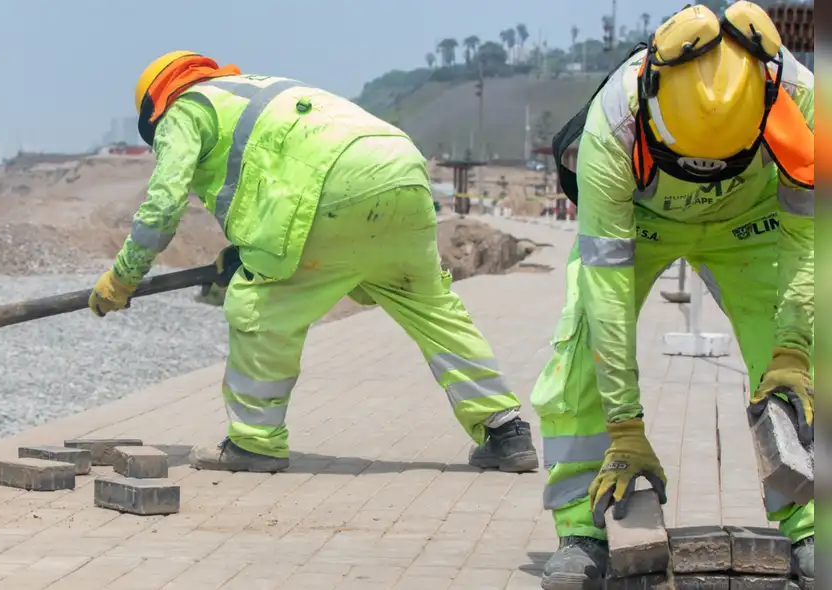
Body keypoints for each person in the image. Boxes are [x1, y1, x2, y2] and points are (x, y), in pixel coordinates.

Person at [87, 51, 540, 475]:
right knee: (434, 309)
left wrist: (122, 277)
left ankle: (254, 442)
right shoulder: (258, 90)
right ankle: (507, 431)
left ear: (154, 109)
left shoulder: (184, 108)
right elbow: (276, 172)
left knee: (259, 309)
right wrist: (244, 252)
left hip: (335, 190)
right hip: (403, 170)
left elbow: (163, 206)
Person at [535, 3, 815, 589]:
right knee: (583, 348)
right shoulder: (614, 124)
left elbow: (813, 242)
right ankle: (582, 530)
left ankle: (816, 523)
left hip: (753, 221)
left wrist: (792, 347)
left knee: (812, 361)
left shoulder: (802, 99)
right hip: (642, 222)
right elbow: (606, 292)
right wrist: (625, 426)